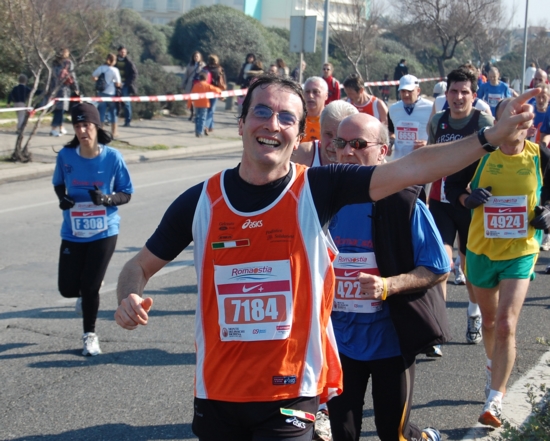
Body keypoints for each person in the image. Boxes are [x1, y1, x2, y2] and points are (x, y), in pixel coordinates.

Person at [114, 74, 540, 440]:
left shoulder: (318, 189)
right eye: (262, 112)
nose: (272, 124)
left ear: (300, 136)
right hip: (217, 392)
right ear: (242, 123)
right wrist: (129, 297)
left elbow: (413, 168)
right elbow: (137, 266)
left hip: (291, 391)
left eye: (287, 118)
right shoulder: (202, 200)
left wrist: (488, 137)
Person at [327, 112, 449, 441]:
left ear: (383, 151)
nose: (347, 151)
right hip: (339, 343)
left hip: (390, 341)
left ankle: (425, 438)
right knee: (342, 433)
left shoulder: (403, 201)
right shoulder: (322, 200)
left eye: (358, 144)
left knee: (393, 434)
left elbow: (438, 266)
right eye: (341, 143)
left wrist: (388, 285)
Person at [445, 97, 550, 428]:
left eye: (519, 122)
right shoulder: (480, 153)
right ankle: (494, 365)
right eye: (506, 120)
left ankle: (495, 399)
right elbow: (451, 186)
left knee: (506, 324)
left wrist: (547, 213)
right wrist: (468, 198)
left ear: (528, 128)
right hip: (480, 250)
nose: (511, 128)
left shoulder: (540, 157)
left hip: (521, 250)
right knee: (489, 323)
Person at [53, 103, 133, 356]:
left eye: (86, 125)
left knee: (88, 286)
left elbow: (126, 193)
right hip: (74, 230)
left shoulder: (112, 157)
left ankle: (90, 335)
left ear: (96, 127)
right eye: (77, 126)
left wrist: (106, 200)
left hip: (104, 230)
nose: (82, 131)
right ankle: (90, 289)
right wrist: (63, 199)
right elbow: (58, 185)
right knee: (67, 288)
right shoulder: (66, 157)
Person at [427, 68, 494, 351]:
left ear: (474, 95)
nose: (458, 97)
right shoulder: (437, 122)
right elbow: (429, 159)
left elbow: (493, 162)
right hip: (440, 202)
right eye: (453, 91)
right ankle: (438, 330)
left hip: (470, 204)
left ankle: (473, 314)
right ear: (446, 94)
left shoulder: (484, 122)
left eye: (464, 91)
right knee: (442, 265)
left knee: (468, 268)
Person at [293, 100, 358, 167]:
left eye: (340, 138)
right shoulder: (301, 154)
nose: (333, 145)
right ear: (320, 131)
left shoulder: (362, 159)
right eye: (329, 135)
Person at [388, 74, 432, 159]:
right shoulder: (393, 109)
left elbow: (439, 134)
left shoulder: (431, 108)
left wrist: (428, 143)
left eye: (410, 91)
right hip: (399, 162)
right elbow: (391, 132)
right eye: (403, 91)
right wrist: (390, 143)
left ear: (418, 91)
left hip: (423, 161)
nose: (406, 95)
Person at [50, 48, 79, 137]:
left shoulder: (54, 63)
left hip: (54, 87)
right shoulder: (68, 62)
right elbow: (72, 75)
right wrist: (76, 88)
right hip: (64, 88)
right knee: (61, 109)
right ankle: (54, 128)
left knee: (59, 109)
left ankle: (61, 127)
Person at [92, 53, 122, 139]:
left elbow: (93, 77)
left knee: (101, 112)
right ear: (114, 61)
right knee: (113, 113)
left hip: (101, 93)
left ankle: (100, 131)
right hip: (112, 94)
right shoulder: (115, 70)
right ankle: (114, 132)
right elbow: (118, 83)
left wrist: (99, 80)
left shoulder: (101, 68)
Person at [188, 71, 222, 138]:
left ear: (199, 79)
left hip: (197, 104)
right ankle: (200, 132)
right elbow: (216, 90)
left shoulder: (196, 85)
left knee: (197, 118)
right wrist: (221, 93)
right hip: (205, 104)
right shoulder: (207, 85)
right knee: (202, 118)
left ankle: (197, 131)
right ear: (206, 79)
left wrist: (189, 104)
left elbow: (191, 95)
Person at [115, 45, 138, 127]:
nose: (123, 53)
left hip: (125, 85)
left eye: (124, 52)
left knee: (126, 103)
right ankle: (112, 120)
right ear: (118, 52)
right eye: (122, 52)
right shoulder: (114, 60)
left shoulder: (129, 62)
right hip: (115, 84)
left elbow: (134, 73)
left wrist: (127, 83)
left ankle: (127, 121)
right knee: (113, 102)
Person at [204, 54, 226, 136]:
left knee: (208, 109)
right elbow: (223, 81)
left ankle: (210, 126)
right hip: (216, 91)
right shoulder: (220, 69)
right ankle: (207, 126)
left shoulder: (205, 69)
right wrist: (223, 93)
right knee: (211, 110)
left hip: (206, 90)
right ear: (216, 61)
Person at [303, 76, 329, 142]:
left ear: (326, 95)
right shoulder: (295, 120)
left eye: (315, 92)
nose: (310, 95)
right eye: (307, 92)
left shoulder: (332, 121)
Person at [182, 51, 206, 122]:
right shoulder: (190, 65)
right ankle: (192, 113)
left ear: (200, 57)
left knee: (197, 100)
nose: (196, 58)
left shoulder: (203, 65)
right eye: (195, 56)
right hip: (190, 83)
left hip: (198, 84)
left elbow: (205, 75)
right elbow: (186, 75)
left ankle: (196, 114)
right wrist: (182, 84)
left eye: (197, 56)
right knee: (189, 100)